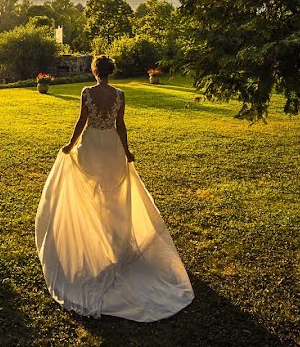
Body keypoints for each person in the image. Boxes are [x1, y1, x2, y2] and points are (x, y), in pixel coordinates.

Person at [34, 55, 194, 321]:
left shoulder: (87, 92)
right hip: (111, 148)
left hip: (91, 147)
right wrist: (127, 152)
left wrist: (70, 145)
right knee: (112, 195)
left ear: (95, 71)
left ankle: (98, 242)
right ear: (112, 72)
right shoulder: (120, 95)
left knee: (91, 191)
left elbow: (81, 122)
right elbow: (121, 125)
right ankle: (111, 241)